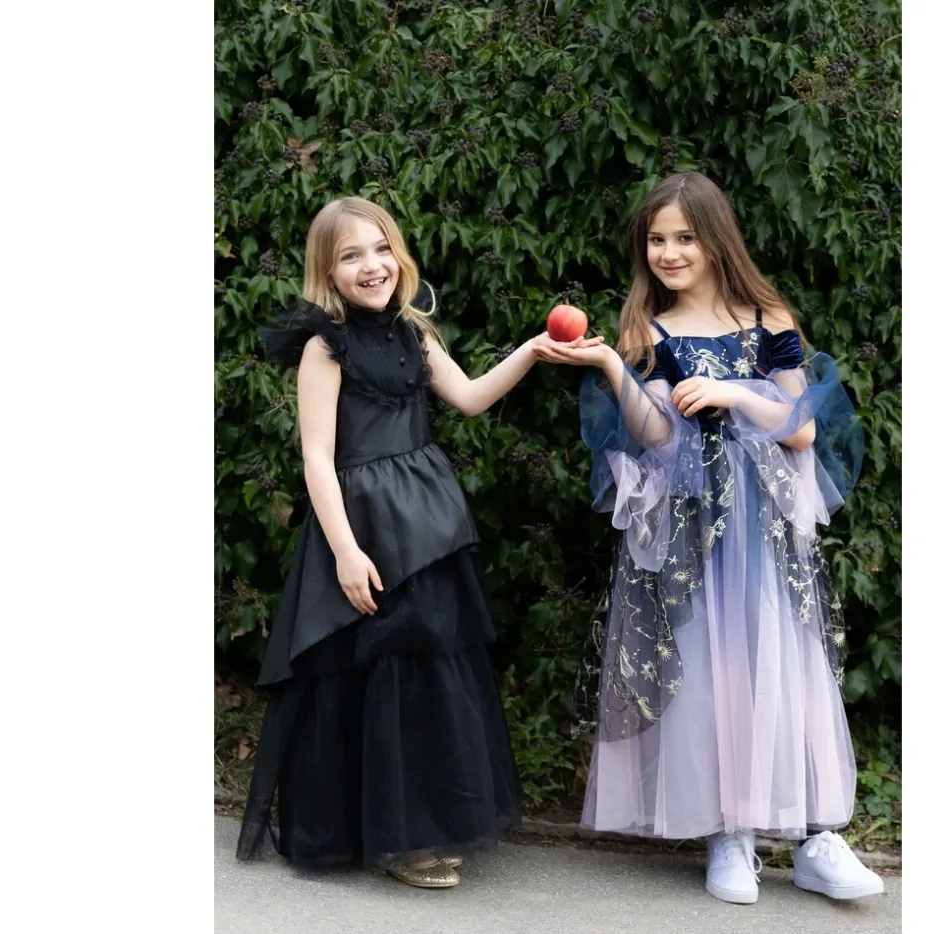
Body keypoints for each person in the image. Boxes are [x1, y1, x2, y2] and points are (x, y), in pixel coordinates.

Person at [536, 172, 882, 904]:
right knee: (708, 669)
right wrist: (610, 365)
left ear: (716, 239)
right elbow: (657, 439)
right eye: (656, 240)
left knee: (781, 661)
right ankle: (730, 833)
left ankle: (815, 835)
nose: (668, 253)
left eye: (685, 238)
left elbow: (802, 430)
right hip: (695, 528)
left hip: (764, 530)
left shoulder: (765, 318)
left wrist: (731, 391)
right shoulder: (649, 331)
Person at [235, 196, 600, 889]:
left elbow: (471, 397)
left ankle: (423, 827)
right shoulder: (324, 348)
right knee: (370, 673)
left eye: (381, 249)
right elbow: (316, 457)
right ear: (327, 271)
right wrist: (345, 551)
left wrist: (533, 349)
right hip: (362, 526)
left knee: (428, 672)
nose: (371, 266)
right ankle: (392, 840)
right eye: (351, 256)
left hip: (427, 526)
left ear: (398, 256)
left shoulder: (413, 333)